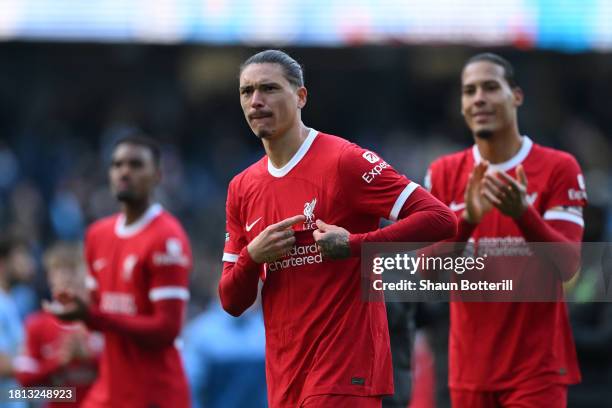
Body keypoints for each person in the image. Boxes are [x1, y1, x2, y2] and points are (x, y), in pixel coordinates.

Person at [219, 49, 457, 408]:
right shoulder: (242, 187)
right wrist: (253, 257)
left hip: (345, 371)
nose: (256, 101)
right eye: (246, 91)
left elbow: (440, 218)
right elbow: (231, 301)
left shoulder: (345, 160)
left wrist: (355, 245)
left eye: (269, 88)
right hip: (285, 375)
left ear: (300, 96)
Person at [425, 53, 587, 407]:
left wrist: (523, 214)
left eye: (490, 87)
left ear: (516, 96)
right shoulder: (443, 172)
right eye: (469, 91)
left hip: (536, 371)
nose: (478, 98)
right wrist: (466, 220)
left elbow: (568, 265)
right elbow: (428, 273)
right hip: (468, 372)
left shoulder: (559, 167)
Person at [45, 135, 192, 408]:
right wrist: (80, 317)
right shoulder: (96, 235)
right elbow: (99, 313)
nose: (124, 171)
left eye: (136, 165)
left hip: (155, 394)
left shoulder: (167, 238)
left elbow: (166, 328)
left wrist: (91, 316)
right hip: (110, 391)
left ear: (157, 175)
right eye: (117, 164)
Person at [14, 242, 101, 407]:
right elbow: (20, 389)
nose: (66, 279)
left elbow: (124, 376)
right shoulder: (36, 325)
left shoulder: (101, 322)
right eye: (59, 273)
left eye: (72, 272)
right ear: (49, 278)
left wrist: (92, 358)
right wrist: (59, 362)